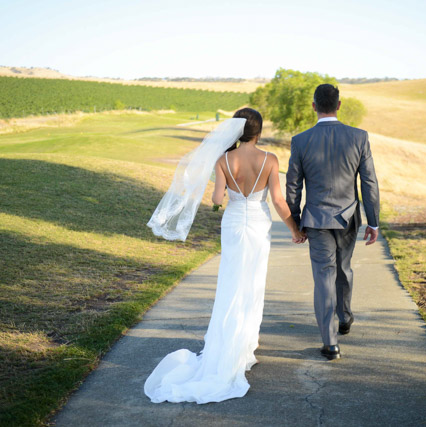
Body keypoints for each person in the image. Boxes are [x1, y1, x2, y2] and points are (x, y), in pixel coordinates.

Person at [144, 108, 304, 404]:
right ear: (258, 131)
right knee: (253, 281)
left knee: (231, 281)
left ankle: (229, 343)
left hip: (232, 223)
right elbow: (279, 201)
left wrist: (225, 192)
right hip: (257, 222)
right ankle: (246, 346)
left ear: (236, 131)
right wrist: (294, 229)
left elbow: (217, 199)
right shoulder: (270, 160)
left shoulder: (222, 160)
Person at [286, 84, 380, 360]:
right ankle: (345, 317)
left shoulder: (300, 140)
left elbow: (294, 186)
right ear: (339, 105)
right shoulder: (359, 137)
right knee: (344, 268)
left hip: (315, 220)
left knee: (324, 275)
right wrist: (373, 222)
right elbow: (369, 182)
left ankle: (330, 343)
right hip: (348, 217)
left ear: (314, 106)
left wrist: (295, 221)